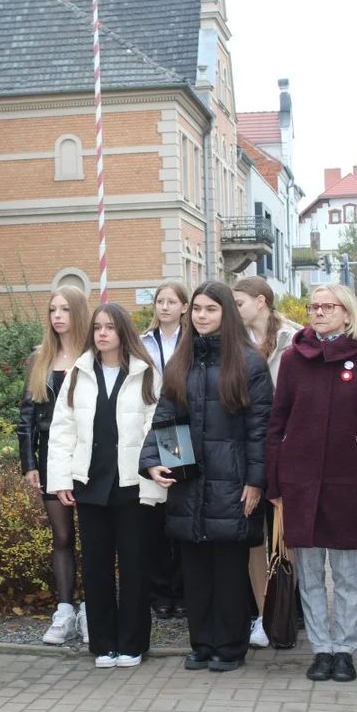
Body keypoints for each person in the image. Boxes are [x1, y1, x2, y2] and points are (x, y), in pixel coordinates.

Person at [140, 281, 273, 673]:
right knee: (195, 570)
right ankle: (201, 644)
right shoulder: (181, 361)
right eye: (196, 308)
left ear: (225, 314)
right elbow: (165, 418)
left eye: (210, 309)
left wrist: (255, 481)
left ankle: (230, 647)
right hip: (190, 482)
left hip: (233, 482)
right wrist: (156, 462)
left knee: (228, 569)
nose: (201, 315)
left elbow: (260, 429)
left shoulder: (249, 362)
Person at [265, 284, 357, 683]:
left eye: (328, 306)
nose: (319, 312)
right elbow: (277, 423)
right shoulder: (293, 358)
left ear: (346, 311)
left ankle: (346, 648)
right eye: (313, 306)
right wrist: (275, 484)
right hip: (300, 482)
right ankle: (322, 648)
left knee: (348, 574)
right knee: (311, 574)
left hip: (348, 485)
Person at [47, 303, 163, 668]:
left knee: (133, 565)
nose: (102, 333)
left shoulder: (146, 374)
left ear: (123, 331)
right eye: (97, 327)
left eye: (110, 327)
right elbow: (61, 431)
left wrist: (156, 476)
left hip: (133, 485)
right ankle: (103, 643)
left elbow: (157, 427)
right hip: (91, 483)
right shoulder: (78, 374)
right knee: (96, 567)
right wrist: (61, 480)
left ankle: (132, 644)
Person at [16, 286, 91, 645]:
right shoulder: (40, 358)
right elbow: (26, 416)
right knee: (62, 536)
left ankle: (94, 609)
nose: (57, 316)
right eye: (52, 310)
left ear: (78, 313)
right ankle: (65, 610)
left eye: (64, 309)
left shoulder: (95, 355)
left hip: (90, 455)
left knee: (94, 536)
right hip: (51, 456)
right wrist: (29, 463)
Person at [232, 276, 301, 648]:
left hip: (286, 449)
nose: (235, 310)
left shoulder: (294, 339)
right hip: (248, 446)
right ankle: (262, 613)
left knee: (285, 535)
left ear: (261, 301)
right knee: (251, 535)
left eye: (239, 302)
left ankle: (286, 609)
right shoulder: (236, 341)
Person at [139, 281, 189, 621]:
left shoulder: (193, 341)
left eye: (172, 301)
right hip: (147, 424)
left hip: (178, 430)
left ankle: (182, 589)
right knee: (152, 513)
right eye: (160, 301)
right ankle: (159, 592)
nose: (165, 307)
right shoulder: (143, 343)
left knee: (179, 507)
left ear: (184, 306)